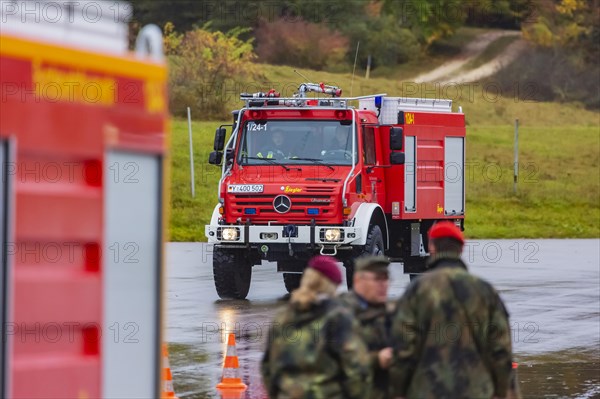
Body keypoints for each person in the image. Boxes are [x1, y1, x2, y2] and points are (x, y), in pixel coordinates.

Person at [389, 222, 513, 399]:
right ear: (462, 249)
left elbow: (403, 346)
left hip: (426, 390)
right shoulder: (484, 291)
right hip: (476, 390)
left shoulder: (417, 290)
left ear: (431, 246)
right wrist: (501, 391)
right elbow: (500, 348)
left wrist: (398, 390)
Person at [261, 255, 372, 399]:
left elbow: (268, 367)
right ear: (330, 285)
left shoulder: (283, 316)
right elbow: (356, 369)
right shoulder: (338, 317)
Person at [338, 255, 394, 399]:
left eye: (386, 279)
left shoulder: (388, 314)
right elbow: (333, 363)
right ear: (358, 281)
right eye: (377, 279)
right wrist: (377, 360)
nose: (383, 285)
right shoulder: (341, 314)